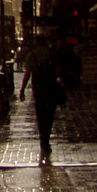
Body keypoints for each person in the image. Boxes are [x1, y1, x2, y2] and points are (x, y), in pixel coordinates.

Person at [19, 34, 63, 163]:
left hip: (38, 90)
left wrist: (22, 90)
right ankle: (46, 140)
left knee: (40, 115)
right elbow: (59, 70)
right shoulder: (51, 54)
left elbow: (27, 74)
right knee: (50, 115)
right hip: (50, 88)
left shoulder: (31, 56)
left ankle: (43, 140)